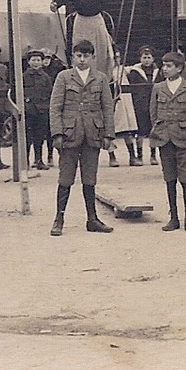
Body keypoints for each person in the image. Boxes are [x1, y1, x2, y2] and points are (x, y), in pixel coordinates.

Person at [49, 39, 118, 236]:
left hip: (92, 134)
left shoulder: (101, 78)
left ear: (93, 58)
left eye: (86, 56)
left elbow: (107, 107)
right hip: (69, 134)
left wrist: (108, 134)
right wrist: (57, 133)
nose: (82, 59)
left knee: (90, 177)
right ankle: (59, 218)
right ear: (73, 57)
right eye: (78, 56)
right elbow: (55, 107)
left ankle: (92, 219)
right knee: (65, 177)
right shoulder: (63, 77)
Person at [148, 50, 186, 233]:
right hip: (164, 138)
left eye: (169, 66)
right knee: (169, 178)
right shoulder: (158, 88)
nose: (165, 69)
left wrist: (182, 127)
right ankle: (174, 218)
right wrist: (161, 129)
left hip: (185, 138)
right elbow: (153, 113)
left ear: (179, 68)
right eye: (163, 65)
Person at [52, 0, 132, 76]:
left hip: (97, 21)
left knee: (102, 51)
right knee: (81, 50)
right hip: (82, 23)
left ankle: (102, 77)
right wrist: (55, 4)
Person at [123, 46, 158, 165]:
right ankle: (140, 155)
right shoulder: (135, 72)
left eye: (149, 57)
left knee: (154, 130)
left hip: (154, 103)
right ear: (140, 58)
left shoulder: (158, 72)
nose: (147, 60)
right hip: (140, 104)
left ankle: (153, 155)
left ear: (153, 59)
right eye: (144, 57)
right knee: (141, 131)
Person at [21, 48, 54, 171]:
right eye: (33, 60)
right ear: (29, 62)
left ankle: (39, 160)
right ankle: (25, 162)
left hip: (42, 111)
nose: (36, 63)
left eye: (38, 60)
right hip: (28, 111)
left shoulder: (46, 77)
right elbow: (17, 93)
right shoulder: (23, 76)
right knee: (27, 137)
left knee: (40, 137)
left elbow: (50, 93)